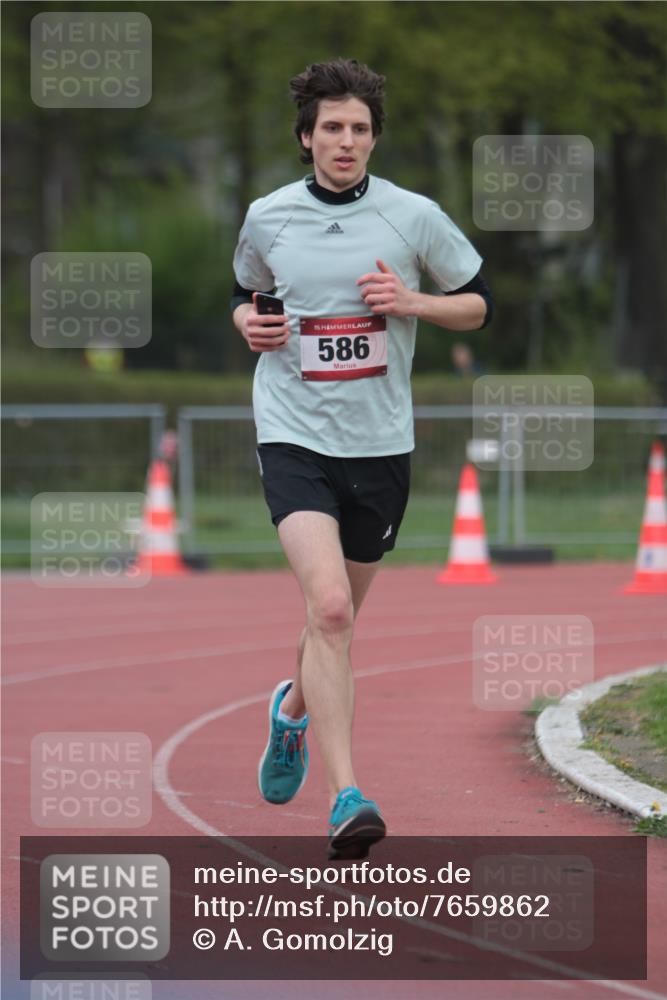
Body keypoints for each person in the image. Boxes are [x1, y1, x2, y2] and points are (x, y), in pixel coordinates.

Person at [231, 58, 493, 860]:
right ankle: (346, 795)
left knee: (332, 620)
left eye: (359, 129)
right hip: (292, 432)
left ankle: (291, 714)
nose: (345, 141)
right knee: (331, 609)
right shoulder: (268, 216)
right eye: (331, 128)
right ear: (306, 137)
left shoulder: (412, 217)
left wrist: (411, 302)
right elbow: (246, 293)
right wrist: (249, 322)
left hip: (380, 444)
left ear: (374, 137)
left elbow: (477, 304)